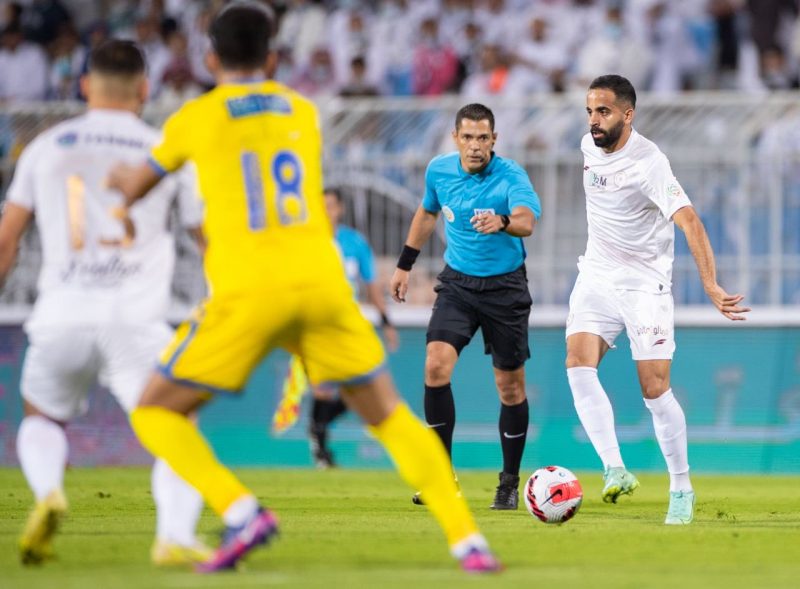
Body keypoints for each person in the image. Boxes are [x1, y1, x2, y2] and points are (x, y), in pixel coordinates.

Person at [107, 2, 500, 574]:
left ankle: (241, 512)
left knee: (154, 412)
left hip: (248, 287)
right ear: (272, 57)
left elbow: (137, 185)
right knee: (389, 416)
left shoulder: (195, 117)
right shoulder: (302, 110)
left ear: (209, 57)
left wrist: (117, 184)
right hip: (320, 282)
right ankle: (469, 543)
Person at [0, 39, 209, 566]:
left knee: (42, 416)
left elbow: (7, 239)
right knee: (176, 425)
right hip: (136, 319)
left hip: (61, 313)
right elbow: (208, 240)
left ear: (85, 85)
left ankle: (49, 490)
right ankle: (175, 535)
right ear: (145, 88)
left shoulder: (45, 147)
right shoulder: (166, 151)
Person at [566, 74, 750, 524]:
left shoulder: (650, 162)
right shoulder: (588, 146)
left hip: (644, 284)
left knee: (654, 389)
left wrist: (710, 285)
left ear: (627, 114)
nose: (594, 119)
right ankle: (614, 469)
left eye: (604, 111)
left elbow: (689, 221)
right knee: (578, 365)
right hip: (596, 275)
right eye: (590, 110)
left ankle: (681, 487)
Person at [390, 103, 541, 510]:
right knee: (435, 366)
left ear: (494, 140)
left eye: (483, 138)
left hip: (506, 289)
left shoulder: (510, 176)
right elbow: (426, 211)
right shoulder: (439, 170)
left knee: (510, 388)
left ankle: (508, 483)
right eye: (468, 137)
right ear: (455, 138)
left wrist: (504, 221)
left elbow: (528, 219)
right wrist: (405, 265)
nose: (475, 146)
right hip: (457, 284)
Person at [305, 187, 399, 467]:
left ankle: (317, 428)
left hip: (347, 324)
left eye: (330, 206)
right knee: (322, 388)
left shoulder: (354, 242)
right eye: (320, 206)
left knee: (359, 389)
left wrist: (386, 322)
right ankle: (321, 450)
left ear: (340, 209)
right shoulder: (307, 241)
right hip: (315, 325)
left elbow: (371, 286)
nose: (326, 211)